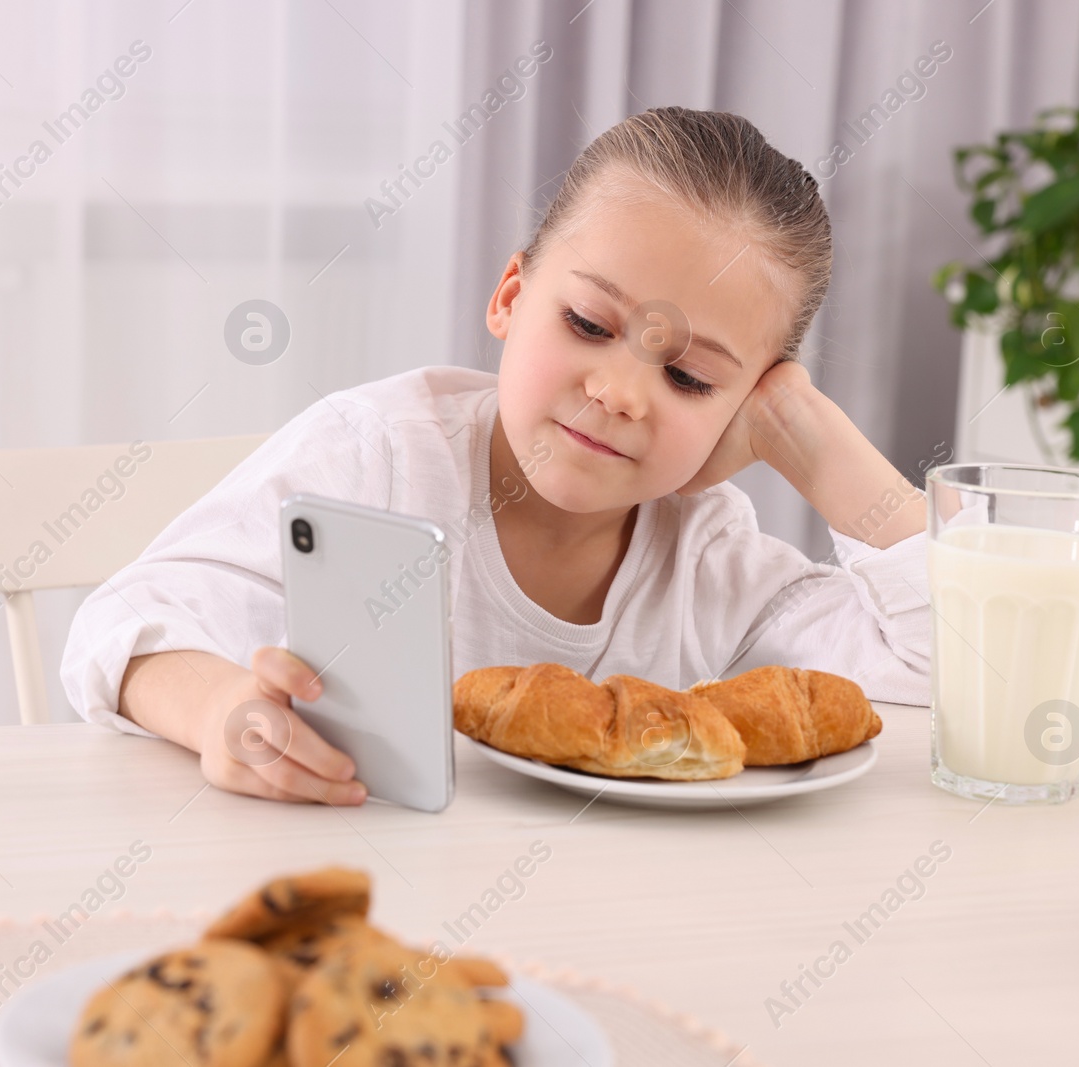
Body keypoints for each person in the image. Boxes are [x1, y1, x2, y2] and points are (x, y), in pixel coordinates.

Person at [60, 107, 930, 806]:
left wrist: (814, 440)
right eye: (589, 325)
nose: (620, 390)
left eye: (692, 378)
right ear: (511, 296)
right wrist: (219, 710)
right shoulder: (381, 457)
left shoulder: (712, 557)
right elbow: (122, 625)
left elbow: (953, 671)